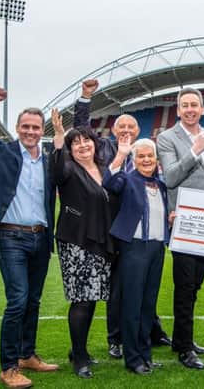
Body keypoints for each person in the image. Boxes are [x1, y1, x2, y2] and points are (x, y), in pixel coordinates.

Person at [0, 86, 58, 388]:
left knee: (33, 300)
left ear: (41, 130)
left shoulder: (47, 161)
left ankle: (27, 355)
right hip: (11, 237)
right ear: (18, 128)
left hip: (40, 238)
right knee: (17, 300)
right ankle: (8, 368)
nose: (30, 131)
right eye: (25, 127)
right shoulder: (0, 152)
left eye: (35, 127)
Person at [74, 80, 171, 357]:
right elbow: (82, 131)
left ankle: (149, 334)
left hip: (144, 234)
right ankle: (116, 339)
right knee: (118, 290)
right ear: (113, 130)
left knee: (143, 290)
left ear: (138, 130)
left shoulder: (151, 168)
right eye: (121, 127)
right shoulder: (104, 149)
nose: (126, 131)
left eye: (131, 127)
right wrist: (85, 99)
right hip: (111, 230)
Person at [50, 109, 115, 378]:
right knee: (82, 300)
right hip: (76, 241)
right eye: (75, 143)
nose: (82, 145)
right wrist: (57, 136)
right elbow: (55, 169)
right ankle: (79, 357)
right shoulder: (67, 168)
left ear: (94, 143)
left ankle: (81, 350)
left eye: (86, 140)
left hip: (100, 241)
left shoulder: (103, 168)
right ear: (69, 149)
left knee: (93, 298)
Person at [157, 86, 204, 369]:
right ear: (178, 110)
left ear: (203, 109)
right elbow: (170, 177)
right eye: (185, 105)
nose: (190, 109)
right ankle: (184, 351)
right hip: (183, 222)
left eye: (195, 104)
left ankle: (184, 340)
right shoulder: (167, 137)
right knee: (184, 286)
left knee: (195, 286)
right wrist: (193, 152)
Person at [103, 138, 170, 375]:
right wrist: (120, 155)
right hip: (134, 249)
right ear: (134, 159)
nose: (146, 160)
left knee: (148, 305)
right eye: (140, 156)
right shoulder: (127, 179)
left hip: (156, 249)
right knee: (132, 304)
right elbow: (108, 182)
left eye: (149, 156)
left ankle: (145, 353)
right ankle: (132, 358)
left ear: (156, 159)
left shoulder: (160, 185)